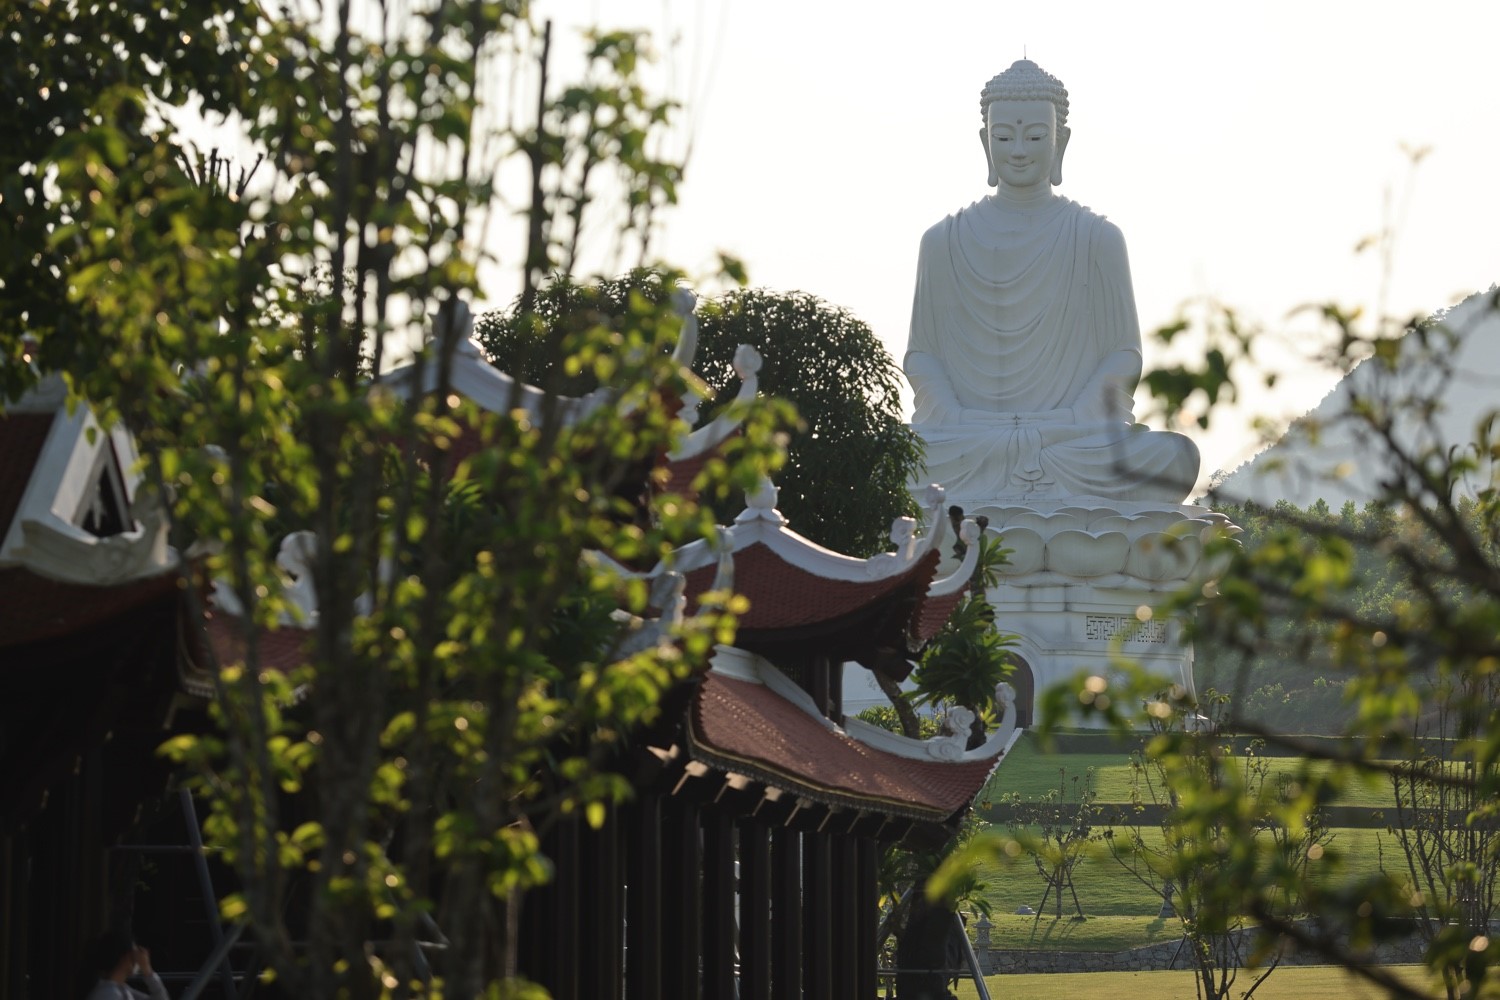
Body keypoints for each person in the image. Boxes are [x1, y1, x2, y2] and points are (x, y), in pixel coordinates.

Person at [904, 59, 1199, 504]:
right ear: (985, 142)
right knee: (886, 456)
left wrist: (1073, 419)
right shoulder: (942, 241)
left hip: (1071, 441)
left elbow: (1123, 355)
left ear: (1061, 141)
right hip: (970, 440)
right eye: (1005, 137)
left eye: (1036, 136)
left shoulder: (1096, 237)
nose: (1019, 150)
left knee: (1175, 456)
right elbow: (922, 357)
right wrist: (957, 418)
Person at [84, 929, 169, 1000]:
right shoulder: (109, 994)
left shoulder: (121, 989)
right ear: (126, 957)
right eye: (135, 954)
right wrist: (148, 972)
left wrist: (148, 972)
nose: (138, 959)